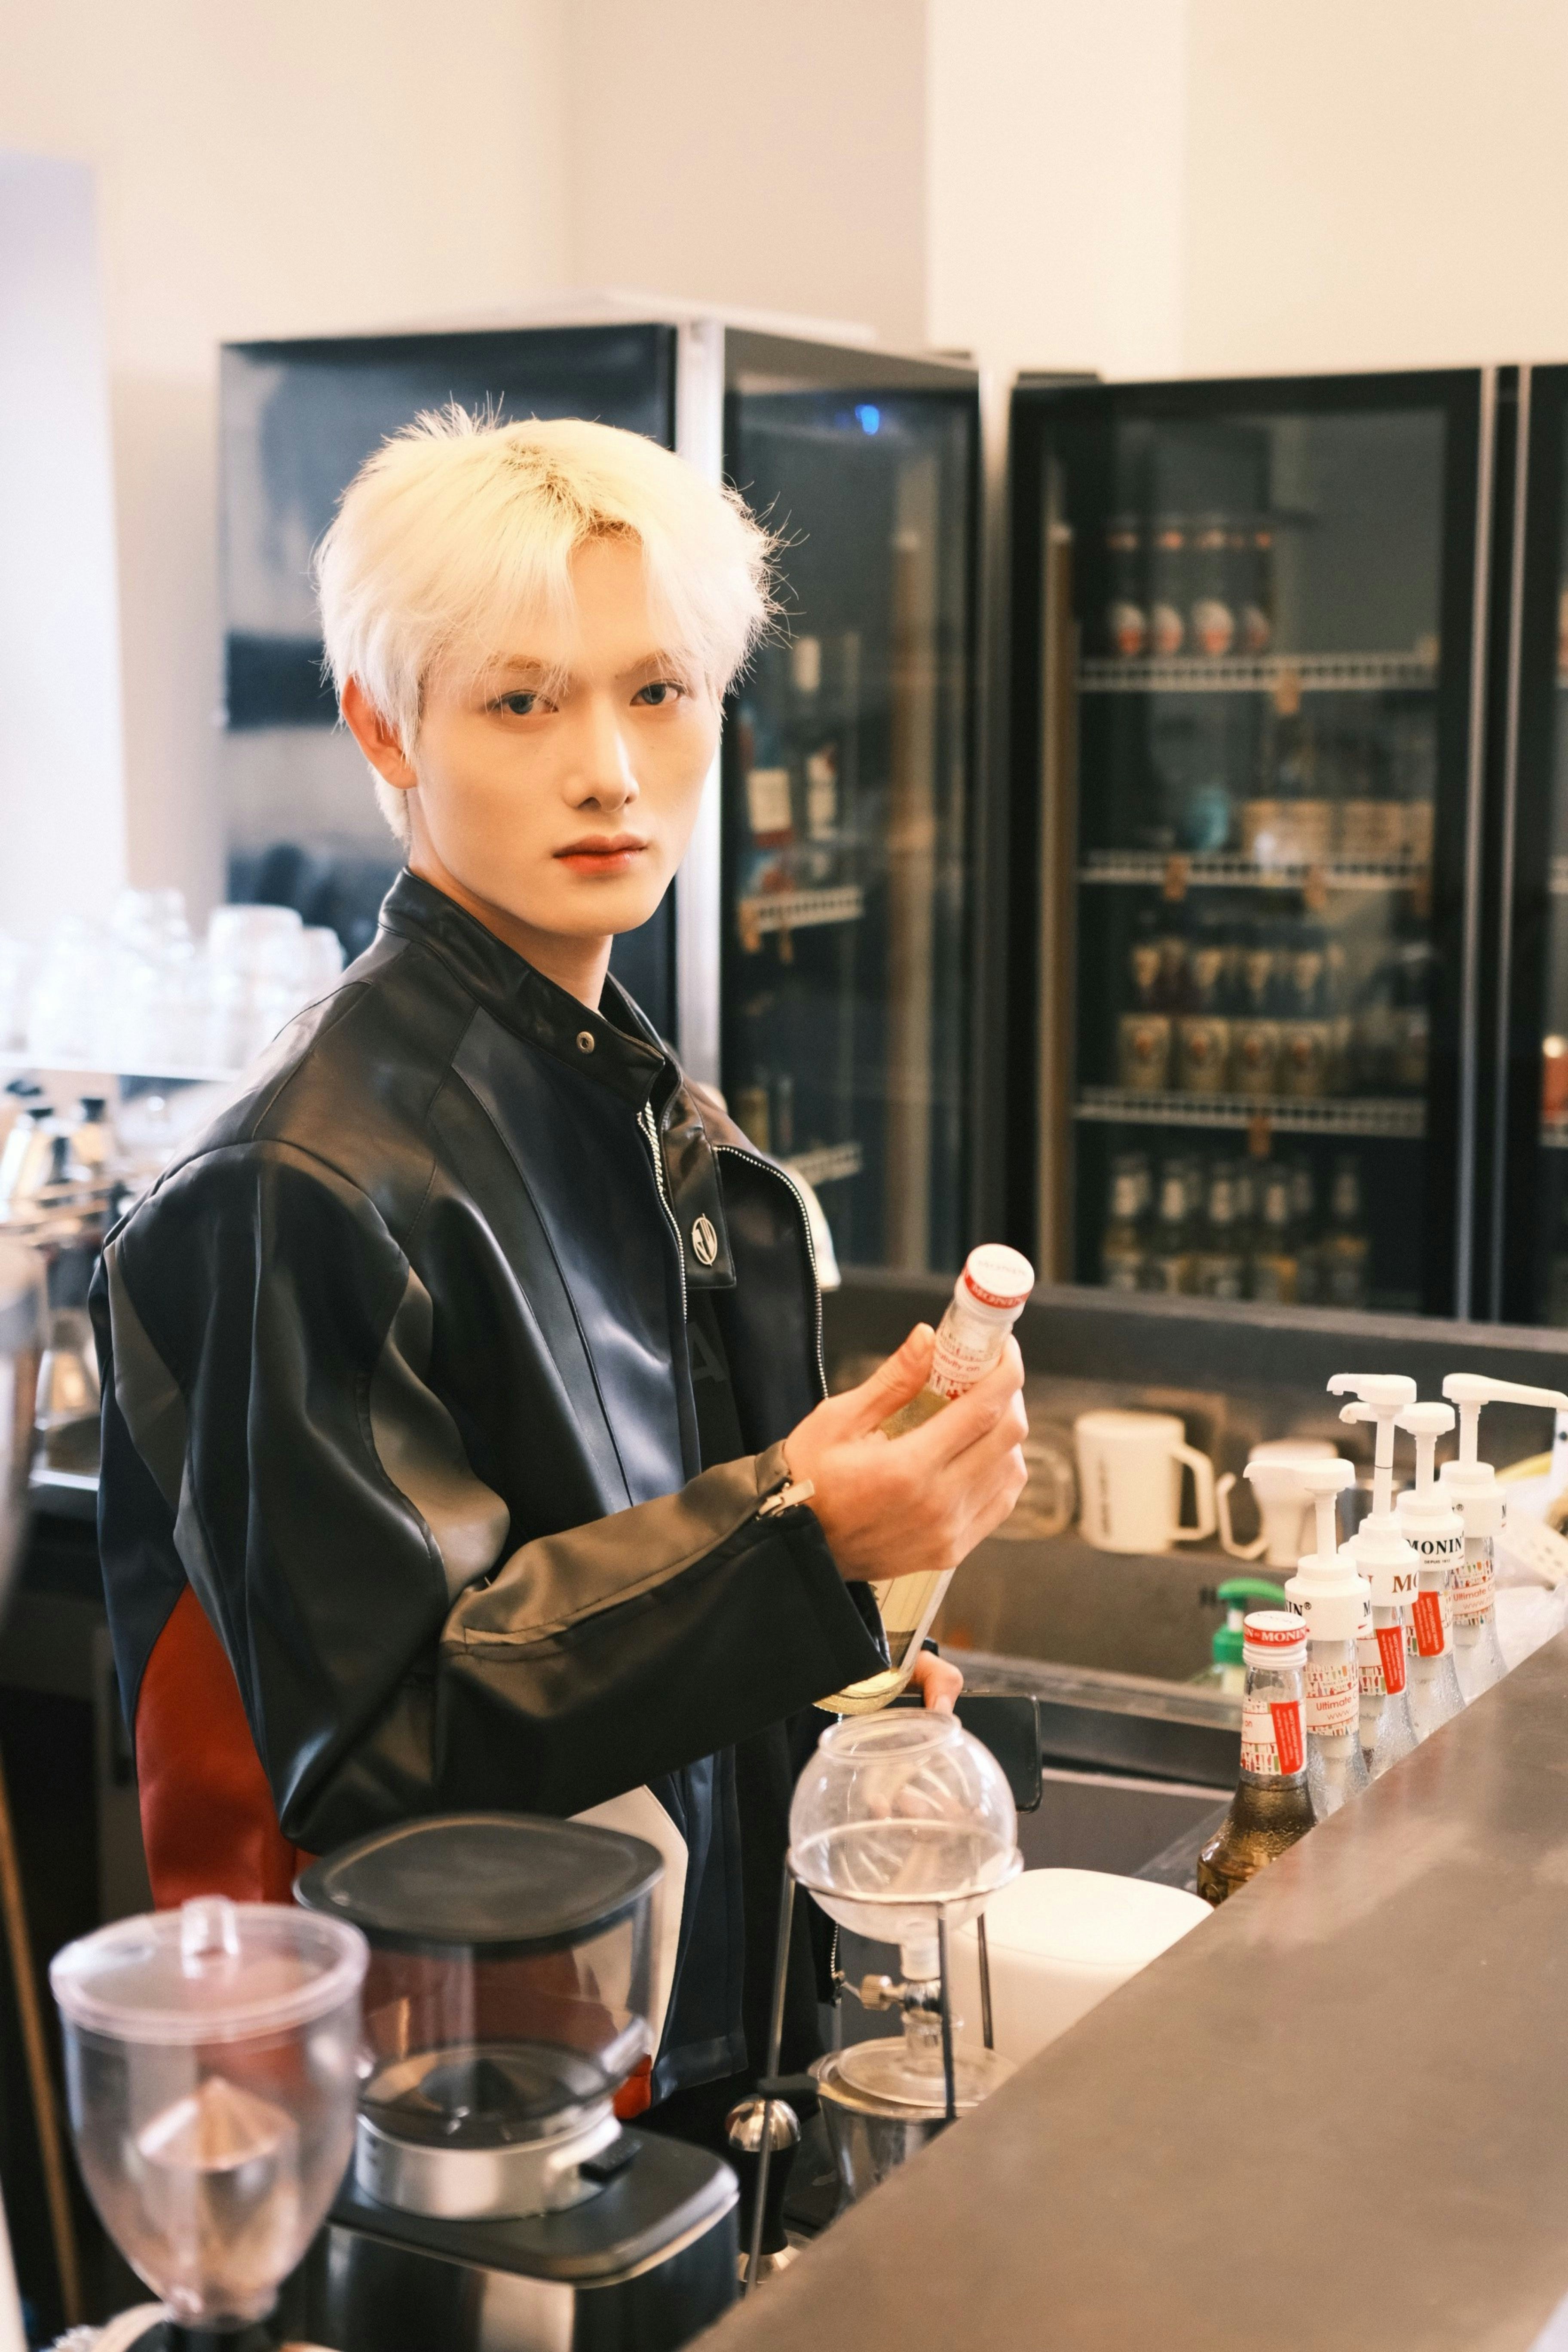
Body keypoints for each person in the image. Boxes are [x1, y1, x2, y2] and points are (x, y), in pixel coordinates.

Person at [91, 409, 1028, 2131]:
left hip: (693, 2091)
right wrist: (794, 1542)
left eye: (657, 692)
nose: (610, 767)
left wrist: (850, 1654)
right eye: (524, 701)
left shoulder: (659, 1122)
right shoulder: (303, 1183)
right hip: (446, 2131)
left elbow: (624, 1609)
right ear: (389, 723)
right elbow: (375, 1742)